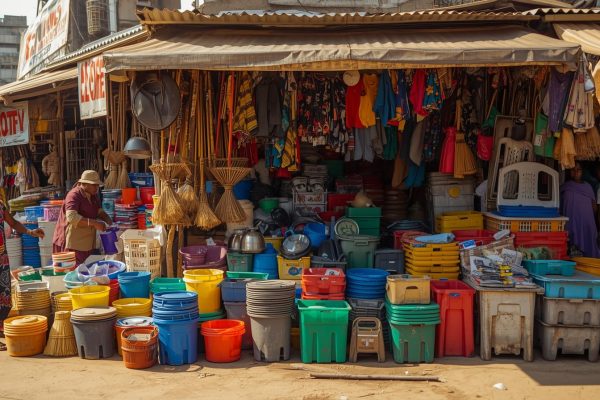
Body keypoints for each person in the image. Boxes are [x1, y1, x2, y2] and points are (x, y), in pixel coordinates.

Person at [0, 201, 45, 350]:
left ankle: (1, 326)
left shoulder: (1, 205)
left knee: (4, 294)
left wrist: (30, 232)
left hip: (2, 258)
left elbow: (12, 222)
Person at [52, 170, 113, 265]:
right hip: (71, 242)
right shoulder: (74, 195)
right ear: (84, 184)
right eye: (94, 185)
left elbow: (99, 211)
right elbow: (71, 217)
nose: (96, 187)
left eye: (97, 185)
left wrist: (109, 221)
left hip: (85, 242)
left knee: (83, 270)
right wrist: (95, 223)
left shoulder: (93, 195)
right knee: (70, 270)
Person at [560, 162, 600, 258]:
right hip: (571, 224)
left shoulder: (588, 187)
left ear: (582, 172)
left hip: (586, 224)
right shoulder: (565, 187)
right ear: (570, 172)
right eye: (573, 170)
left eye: (579, 170)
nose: (576, 172)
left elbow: (594, 207)